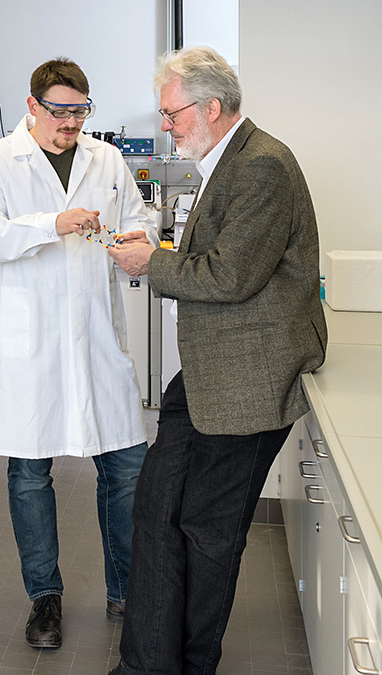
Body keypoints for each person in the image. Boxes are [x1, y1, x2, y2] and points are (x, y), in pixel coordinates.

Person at [107, 46, 327, 675]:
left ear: (210, 107)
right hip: (208, 373)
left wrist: (152, 264)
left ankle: (191, 663)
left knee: (208, 530)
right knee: (156, 508)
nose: (166, 126)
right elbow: (221, 260)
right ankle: (148, 662)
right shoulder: (222, 163)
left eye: (171, 113)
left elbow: (231, 275)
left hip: (251, 381)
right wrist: (158, 249)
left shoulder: (262, 166)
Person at [0, 57, 158, 650]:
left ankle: (126, 589)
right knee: (30, 474)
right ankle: (45, 599)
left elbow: (138, 214)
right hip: (32, 344)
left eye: (80, 110)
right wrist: (54, 223)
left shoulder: (107, 159)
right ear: (33, 106)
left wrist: (136, 235)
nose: (71, 122)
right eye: (60, 110)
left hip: (97, 338)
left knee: (124, 468)